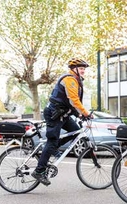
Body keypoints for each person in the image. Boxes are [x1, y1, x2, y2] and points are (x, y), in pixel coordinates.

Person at [31, 58, 93, 186]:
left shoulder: (76, 80)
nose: (83, 71)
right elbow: (73, 100)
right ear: (74, 69)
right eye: (81, 68)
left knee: (76, 132)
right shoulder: (70, 79)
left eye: (84, 69)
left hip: (63, 114)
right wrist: (85, 113)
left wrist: (78, 114)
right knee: (52, 141)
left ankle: (54, 148)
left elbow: (68, 103)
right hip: (54, 114)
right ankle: (39, 171)